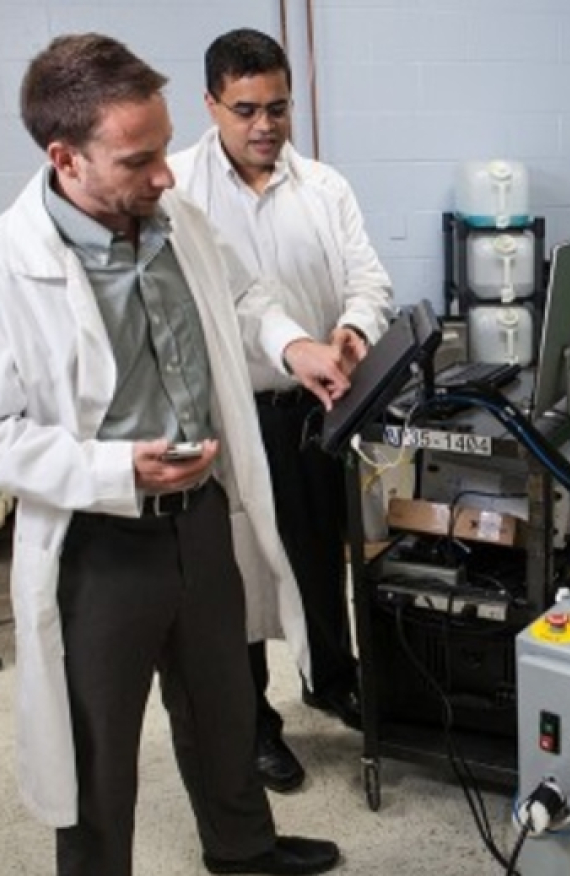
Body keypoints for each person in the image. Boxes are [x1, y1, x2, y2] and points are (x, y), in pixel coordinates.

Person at [0, 33, 349, 876]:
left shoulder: (173, 222)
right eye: (139, 159)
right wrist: (113, 471)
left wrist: (294, 343)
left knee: (224, 703)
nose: (166, 174)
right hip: (99, 543)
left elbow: (241, 294)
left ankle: (239, 843)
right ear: (65, 157)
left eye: (164, 149)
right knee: (97, 749)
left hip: (202, 518)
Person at [171, 27, 393, 793]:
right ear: (210, 105)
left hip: (315, 406)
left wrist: (355, 328)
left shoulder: (324, 188)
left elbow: (370, 279)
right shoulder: (174, 191)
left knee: (317, 554)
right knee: (237, 578)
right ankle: (254, 724)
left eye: (278, 107)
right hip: (227, 415)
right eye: (246, 109)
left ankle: (331, 680)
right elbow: (230, 304)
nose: (265, 125)